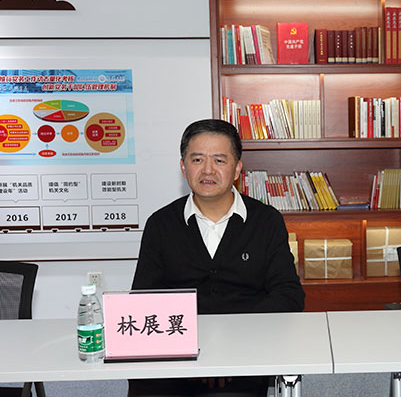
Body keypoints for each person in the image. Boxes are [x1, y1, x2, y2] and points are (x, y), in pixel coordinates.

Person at [129, 119, 305, 396]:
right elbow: (143, 299)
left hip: (244, 352)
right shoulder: (161, 224)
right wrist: (192, 350)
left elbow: (288, 296)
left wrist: (230, 346)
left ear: (237, 169)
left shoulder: (266, 221)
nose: (208, 170)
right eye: (197, 159)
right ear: (183, 167)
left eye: (219, 160)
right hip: (176, 354)